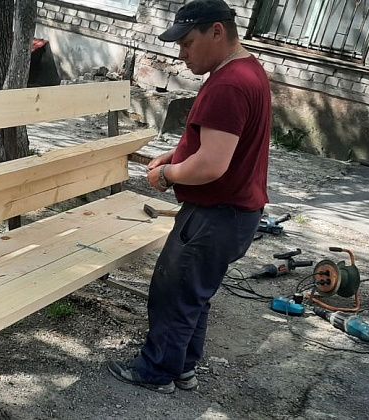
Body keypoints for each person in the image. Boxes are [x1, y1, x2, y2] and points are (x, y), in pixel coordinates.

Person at [106, 0, 271, 394]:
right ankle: (183, 368)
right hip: (235, 214)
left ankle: (156, 372)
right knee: (193, 294)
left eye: (188, 42)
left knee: (173, 292)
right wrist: (177, 155)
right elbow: (217, 147)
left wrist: (167, 173)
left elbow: (212, 165)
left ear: (217, 31)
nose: (181, 54)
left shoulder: (229, 84)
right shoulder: (248, 71)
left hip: (216, 215)